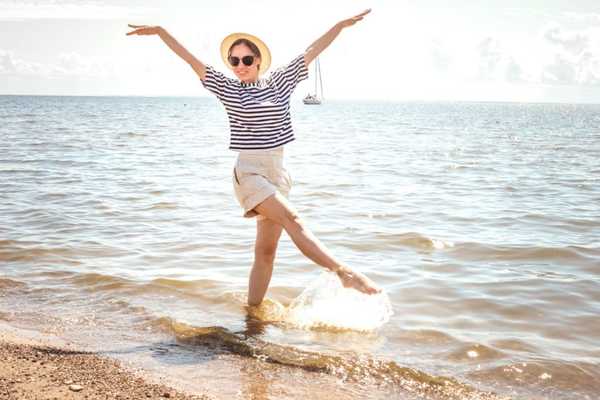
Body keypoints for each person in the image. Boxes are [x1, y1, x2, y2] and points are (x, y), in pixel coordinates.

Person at [126, 9, 381, 306]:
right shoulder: (228, 88)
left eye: (247, 59)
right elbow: (191, 59)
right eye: (234, 60)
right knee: (293, 219)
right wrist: (161, 32)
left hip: (277, 173)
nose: (240, 66)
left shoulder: (280, 82)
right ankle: (344, 273)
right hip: (249, 173)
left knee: (266, 252)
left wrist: (339, 25)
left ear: (258, 60)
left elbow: (312, 50)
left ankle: (252, 314)